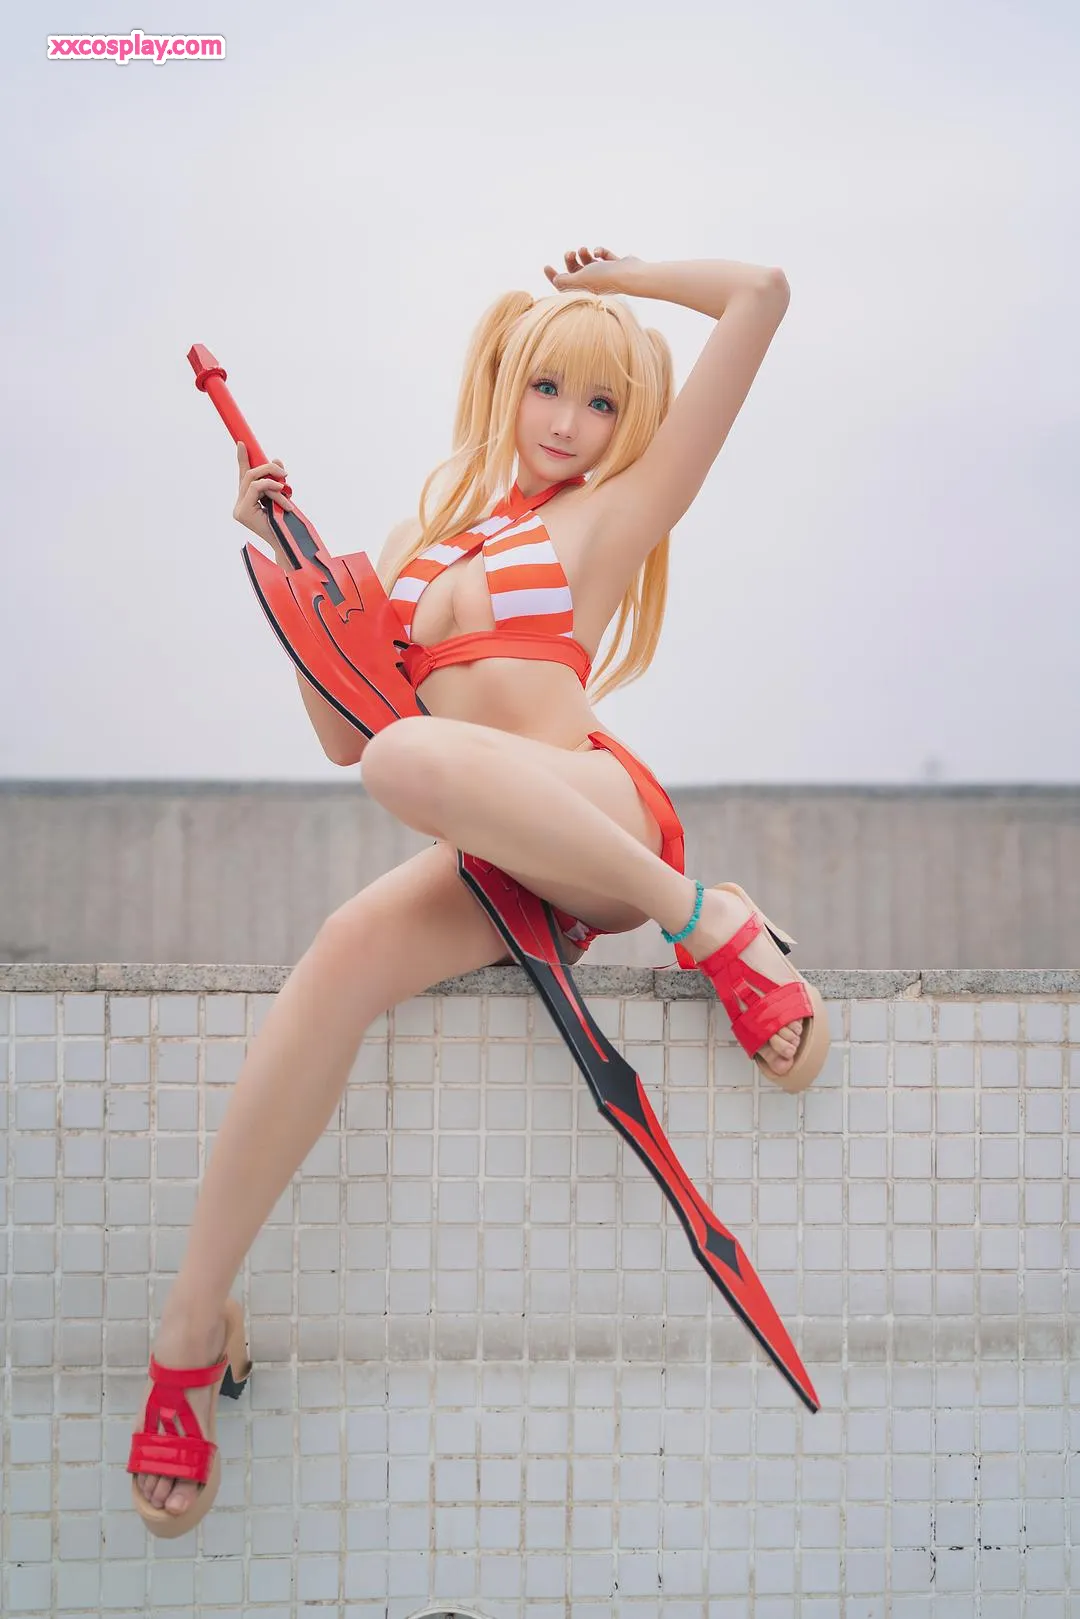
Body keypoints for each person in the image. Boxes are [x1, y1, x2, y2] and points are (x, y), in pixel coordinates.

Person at [129, 244, 829, 1535]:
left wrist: (630, 274)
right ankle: (189, 1330)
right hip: (492, 861)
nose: (568, 423)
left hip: (601, 816)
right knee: (341, 952)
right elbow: (348, 736)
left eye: (603, 402)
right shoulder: (420, 538)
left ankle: (707, 918)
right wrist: (295, 579)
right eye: (549, 388)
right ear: (506, 383)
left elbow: (763, 296)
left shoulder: (613, 514)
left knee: (410, 757)